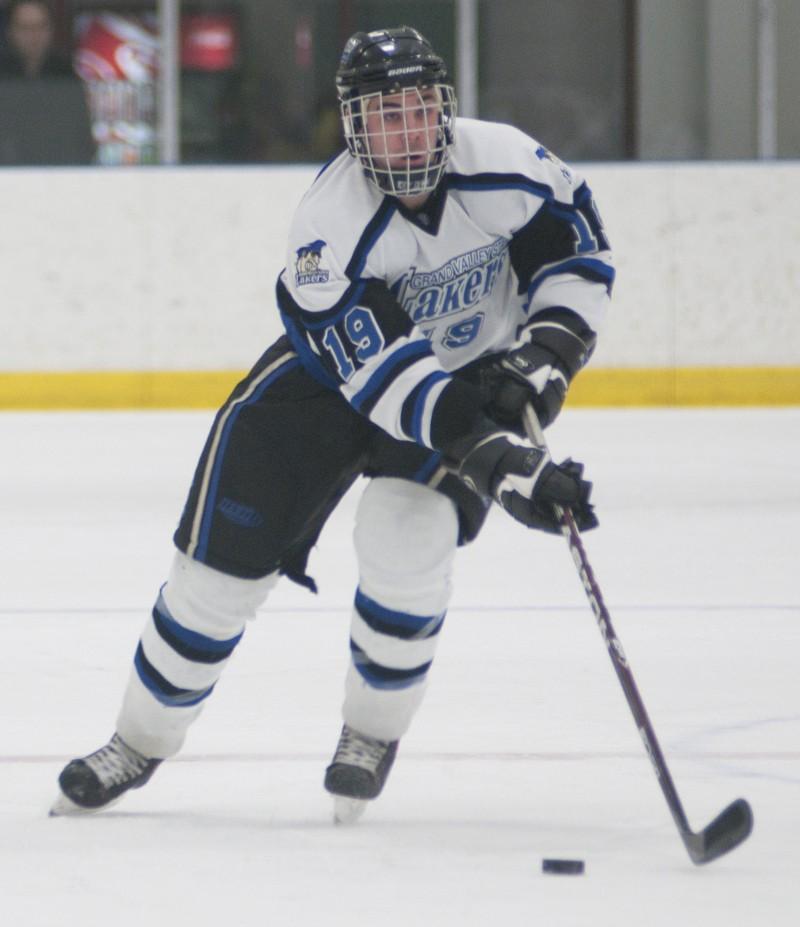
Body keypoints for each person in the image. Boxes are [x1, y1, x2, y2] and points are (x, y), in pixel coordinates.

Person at [51, 26, 614, 824]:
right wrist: (501, 462)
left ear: (444, 108)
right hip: (327, 391)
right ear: (354, 129)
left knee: (404, 538)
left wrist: (547, 361)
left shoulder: (509, 164)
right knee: (215, 583)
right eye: (386, 117)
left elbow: (577, 260)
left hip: (463, 376)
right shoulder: (328, 229)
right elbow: (392, 382)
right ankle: (137, 743)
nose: (408, 131)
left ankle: (369, 733)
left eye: (420, 109)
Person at [0, 0, 95, 164]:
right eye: (25, 28)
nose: (33, 36)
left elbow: (82, 137)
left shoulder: (65, 75)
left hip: (58, 174)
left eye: (40, 27)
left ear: (50, 30)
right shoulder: (4, 76)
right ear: (10, 31)